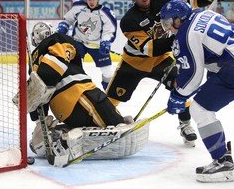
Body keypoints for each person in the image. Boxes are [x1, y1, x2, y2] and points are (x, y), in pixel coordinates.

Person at [160, 0, 234, 182]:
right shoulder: (204, 13)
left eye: (168, 23)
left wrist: (177, 96)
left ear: (178, 19)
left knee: (199, 109)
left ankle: (222, 162)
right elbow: (217, 48)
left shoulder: (185, 33)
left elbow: (193, 76)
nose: (168, 28)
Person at [105, 0, 229, 147]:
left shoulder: (163, 0)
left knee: (181, 86)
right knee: (110, 99)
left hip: (161, 60)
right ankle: (103, 124)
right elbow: (150, 49)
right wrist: (179, 37)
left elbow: (189, 1)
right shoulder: (129, 21)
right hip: (134, 63)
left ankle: (185, 124)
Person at [24, 22, 149, 166]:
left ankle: (63, 133)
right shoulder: (57, 39)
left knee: (94, 118)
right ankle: (117, 122)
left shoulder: (33, 65)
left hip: (63, 112)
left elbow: (37, 96)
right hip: (78, 94)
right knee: (103, 106)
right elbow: (57, 63)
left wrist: (40, 121)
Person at [57, 0, 117, 90]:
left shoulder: (106, 13)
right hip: (78, 41)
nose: (91, 1)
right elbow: (68, 19)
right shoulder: (78, 7)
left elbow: (109, 31)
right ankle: (71, 89)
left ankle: (109, 93)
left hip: (97, 44)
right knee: (74, 67)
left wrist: (106, 41)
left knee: (108, 73)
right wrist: (64, 26)